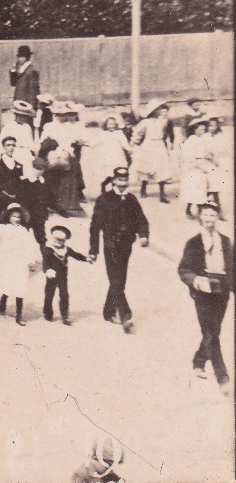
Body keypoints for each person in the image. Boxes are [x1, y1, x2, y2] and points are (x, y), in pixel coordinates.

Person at [178, 201, 233, 395]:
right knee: (210, 332)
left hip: (222, 290)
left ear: (218, 217)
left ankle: (199, 361)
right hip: (202, 291)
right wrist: (196, 280)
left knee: (214, 330)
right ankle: (223, 378)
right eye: (206, 215)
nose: (209, 219)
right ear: (200, 217)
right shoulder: (193, 242)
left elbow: (232, 269)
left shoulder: (225, 241)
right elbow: (183, 269)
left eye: (213, 215)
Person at [89, 167, 149, 333]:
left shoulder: (131, 199)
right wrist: (93, 250)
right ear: (113, 180)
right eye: (119, 180)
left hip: (126, 246)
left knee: (119, 279)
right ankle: (125, 315)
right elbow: (95, 227)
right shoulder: (104, 199)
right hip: (111, 245)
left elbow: (141, 219)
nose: (122, 183)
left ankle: (108, 312)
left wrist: (143, 235)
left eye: (125, 180)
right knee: (116, 279)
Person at [0, 203, 41, 326]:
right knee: (7, 283)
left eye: (18, 217)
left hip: (19, 261)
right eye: (13, 216)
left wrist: (30, 260)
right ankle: (2, 304)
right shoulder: (1, 228)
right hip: (5, 260)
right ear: (8, 216)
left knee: (20, 286)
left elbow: (29, 246)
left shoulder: (24, 230)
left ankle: (19, 315)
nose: (16, 219)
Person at [41, 223, 92, 324]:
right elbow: (45, 263)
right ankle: (48, 312)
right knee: (49, 294)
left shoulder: (66, 250)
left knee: (64, 295)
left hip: (63, 276)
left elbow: (76, 255)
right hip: (51, 276)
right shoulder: (49, 250)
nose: (57, 242)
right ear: (52, 238)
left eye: (60, 240)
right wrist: (48, 270)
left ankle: (65, 315)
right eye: (55, 240)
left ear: (64, 240)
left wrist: (86, 258)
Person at [130, 99, 175, 203]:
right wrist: (133, 143)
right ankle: (143, 188)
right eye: (158, 109)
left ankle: (162, 194)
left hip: (159, 145)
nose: (160, 110)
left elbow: (167, 132)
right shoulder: (145, 122)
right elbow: (137, 132)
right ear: (154, 110)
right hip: (148, 145)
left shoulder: (163, 121)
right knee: (146, 168)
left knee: (161, 168)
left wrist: (169, 141)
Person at [180, 118, 214, 218]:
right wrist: (199, 165)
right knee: (193, 189)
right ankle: (188, 209)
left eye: (204, 129)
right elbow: (188, 157)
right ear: (194, 130)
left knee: (201, 189)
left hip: (202, 165)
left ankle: (200, 210)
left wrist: (208, 156)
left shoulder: (201, 140)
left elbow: (205, 152)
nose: (202, 131)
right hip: (193, 167)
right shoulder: (191, 140)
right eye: (200, 130)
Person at [92, 116, 132, 191]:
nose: (112, 126)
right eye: (110, 124)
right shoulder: (103, 133)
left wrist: (129, 149)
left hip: (118, 155)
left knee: (117, 173)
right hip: (107, 156)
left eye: (113, 124)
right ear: (106, 125)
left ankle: (114, 191)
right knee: (110, 173)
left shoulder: (119, 133)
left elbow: (124, 143)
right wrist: (86, 143)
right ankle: (103, 185)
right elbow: (95, 142)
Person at [9, 45, 40, 119]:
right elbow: (13, 83)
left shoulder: (31, 71)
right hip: (19, 100)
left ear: (27, 58)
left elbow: (33, 90)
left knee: (27, 124)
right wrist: (13, 72)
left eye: (22, 57)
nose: (20, 59)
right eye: (19, 57)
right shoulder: (19, 69)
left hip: (27, 103)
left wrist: (32, 106)